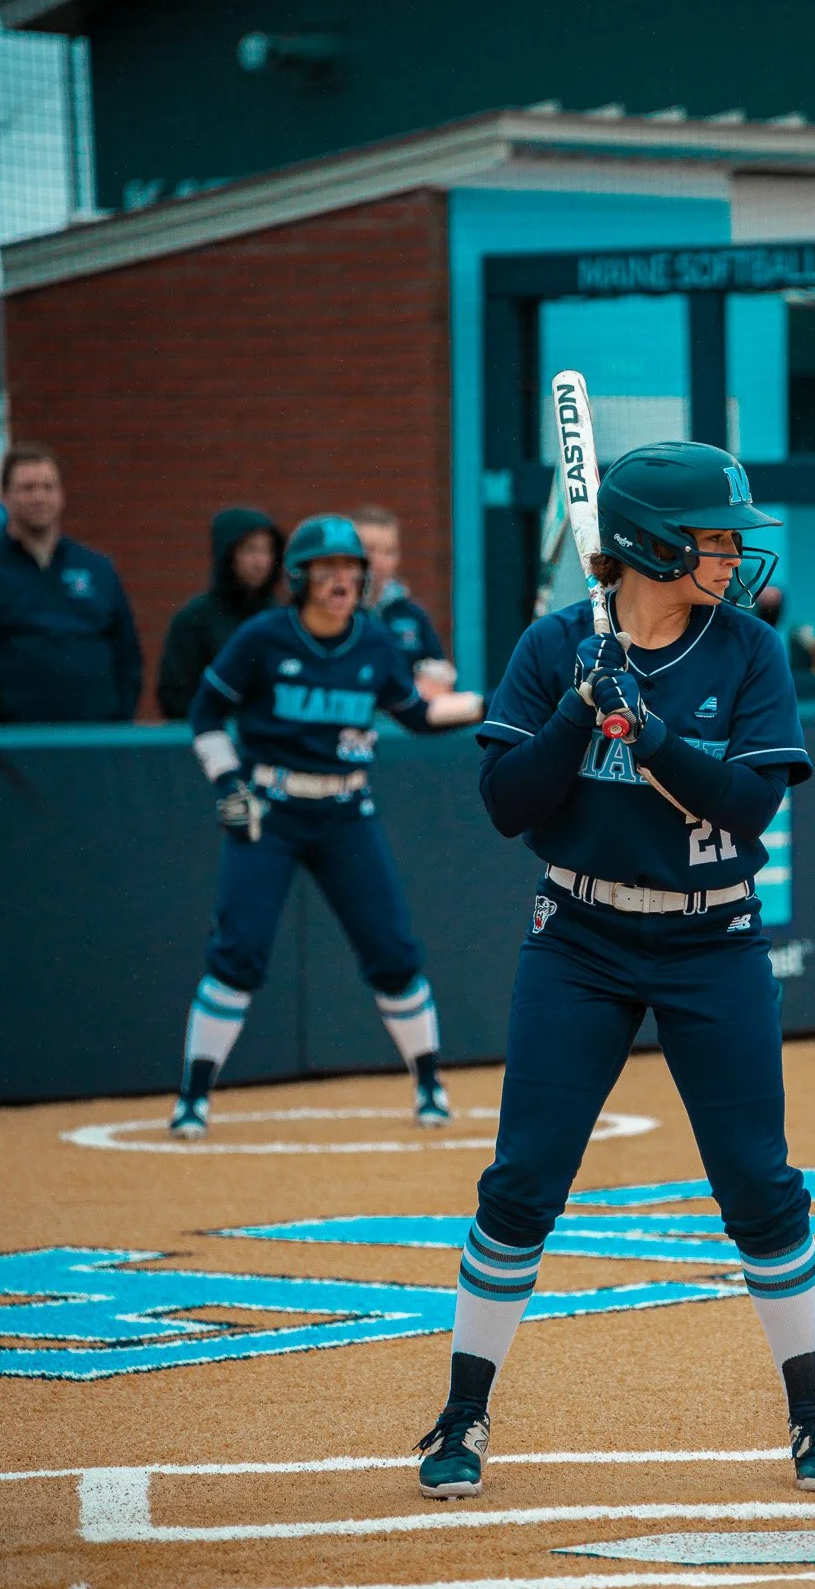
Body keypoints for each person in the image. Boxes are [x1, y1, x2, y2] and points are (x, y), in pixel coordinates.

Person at [414, 441, 815, 1501]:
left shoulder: (750, 648)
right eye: (714, 539)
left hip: (714, 941)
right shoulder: (555, 645)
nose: (734, 556)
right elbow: (507, 805)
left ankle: (810, 1414)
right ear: (652, 546)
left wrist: (649, 732)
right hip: (579, 939)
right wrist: (578, 710)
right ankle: (461, 1414)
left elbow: (750, 806)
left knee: (758, 1180)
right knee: (523, 1179)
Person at [169, 515, 484, 1136]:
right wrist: (227, 783)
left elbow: (417, 715)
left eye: (351, 569)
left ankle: (428, 1084)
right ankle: (193, 1097)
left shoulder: (372, 641)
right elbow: (205, 712)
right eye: (328, 569)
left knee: (392, 951)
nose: (342, 579)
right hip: (271, 810)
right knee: (238, 952)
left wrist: (493, 703)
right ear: (299, 578)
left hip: (346, 812)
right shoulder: (264, 637)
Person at [0, 442, 142, 723]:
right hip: (13, 744)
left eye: (48, 487)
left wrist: (119, 719)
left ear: (61, 495)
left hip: (92, 738)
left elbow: (127, 654)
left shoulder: (97, 568)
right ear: (5, 496)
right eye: (27, 488)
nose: (39, 497)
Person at [157, 508, 283, 719]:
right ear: (227, 554)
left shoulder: (281, 617)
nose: (261, 562)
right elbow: (175, 696)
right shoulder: (194, 619)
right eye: (250, 550)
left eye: (268, 550)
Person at [352, 505, 451, 690]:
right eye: (370, 550)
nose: (380, 561)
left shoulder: (413, 615)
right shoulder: (335, 612)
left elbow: (441, 673)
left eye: (389, 552)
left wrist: (437, 679)